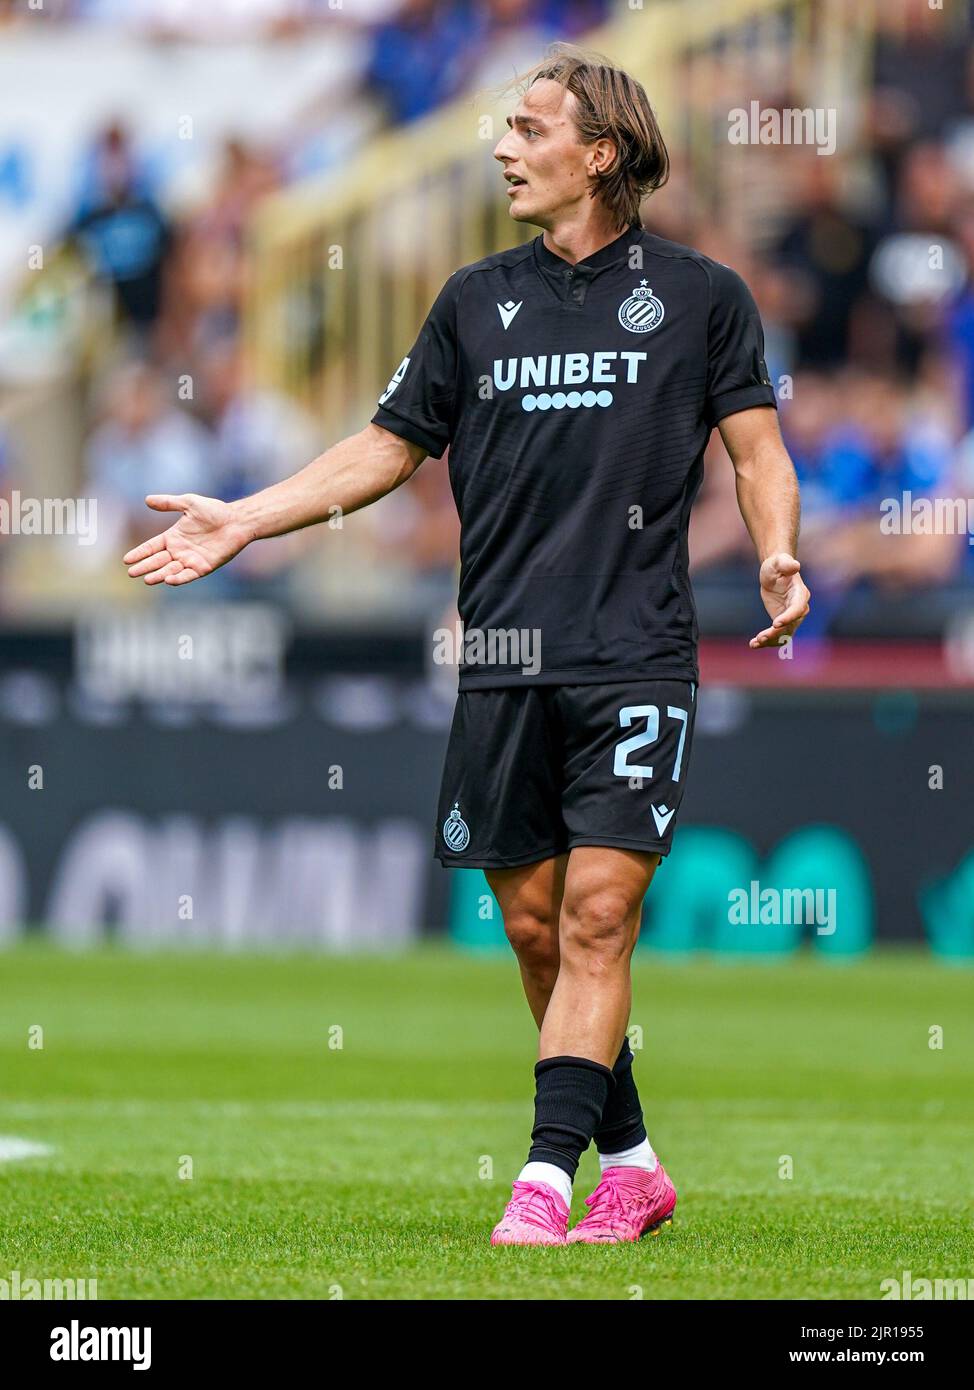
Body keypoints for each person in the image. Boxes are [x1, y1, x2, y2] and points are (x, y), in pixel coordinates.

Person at [123, 44, 810, 1247]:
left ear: (599, 153)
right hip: (499, 655)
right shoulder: (470, 302)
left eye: (530, 128)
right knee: (539, 929)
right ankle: (633, 1161)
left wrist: (775, 550)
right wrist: (246, 514)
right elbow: (383, 451)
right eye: (504, 127)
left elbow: (757, 453)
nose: (502, 146)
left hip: (634, 655)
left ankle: (542, 1184)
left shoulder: (700, 297)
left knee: (599, 917)